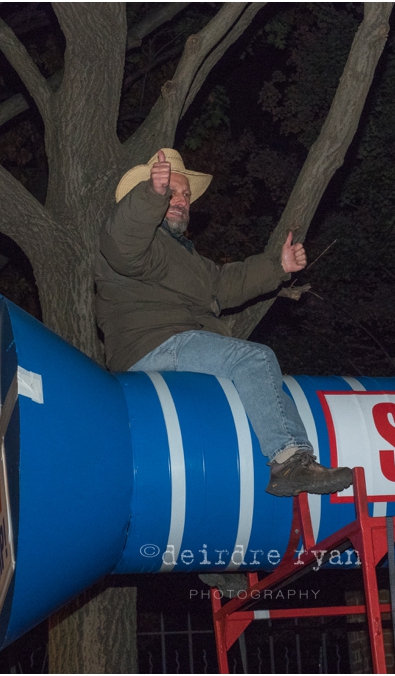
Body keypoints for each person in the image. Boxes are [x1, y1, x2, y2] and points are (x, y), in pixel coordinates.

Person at [93, 148, 353, 497]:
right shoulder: (135, 239)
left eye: (185, 195)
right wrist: (151, 193)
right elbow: (123, 239)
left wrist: (279, 266)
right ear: (148, 192)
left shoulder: (186, 257)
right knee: (253, 358)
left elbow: (225, 284)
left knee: (247, 374)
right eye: (171, 189)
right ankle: (289, 460)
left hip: (178, 344)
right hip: (152, 345)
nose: (180, 199)